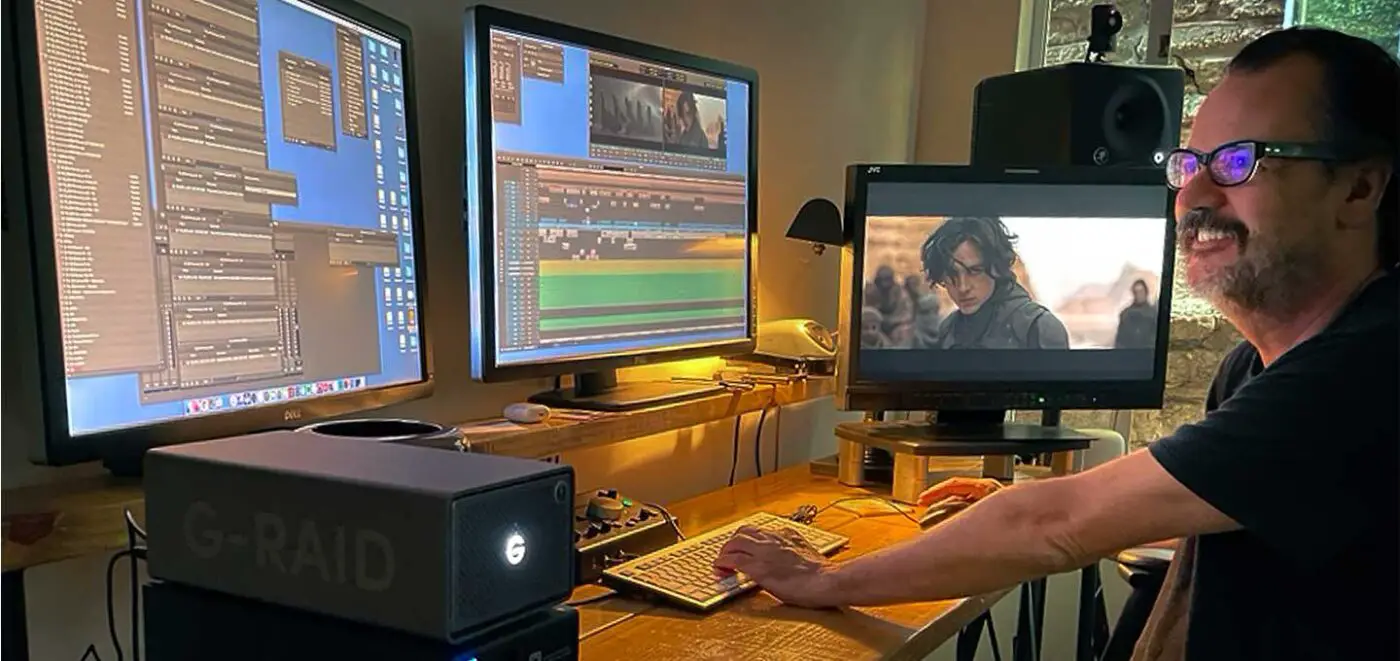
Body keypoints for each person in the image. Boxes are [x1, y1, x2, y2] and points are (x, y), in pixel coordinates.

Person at [714, 27, 1398, 660]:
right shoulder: (1256, 364)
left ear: (1359, 188)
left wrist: (823, 579)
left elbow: (1054, 525)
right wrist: (1011, 503)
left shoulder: (1365, 371)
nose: (1193, 195)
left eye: (1238, 162)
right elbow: (1251, 515)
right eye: (1188, 164)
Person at [921, 216, 1070, 349]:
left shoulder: (1037, 328)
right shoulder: (947, 330)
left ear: (996, 268)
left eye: (975, 271)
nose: (963, 287)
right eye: (952, 274)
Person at [862, 265, 915, 345]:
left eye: (887, 279)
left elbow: (907, 314)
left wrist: (891, 321)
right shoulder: (870, 291)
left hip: (895, 326)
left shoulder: (900, 293)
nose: (884, 284)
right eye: (881, 280)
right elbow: (865, 312)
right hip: (875, 325)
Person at [1114, 279, 1158, 349]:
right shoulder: (1126, 314)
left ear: (1146, 292)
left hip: (1148, 352)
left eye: (1141, 291)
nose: (1139, 294)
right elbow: (1120, 340)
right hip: (1129, 351)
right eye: (1136, 292)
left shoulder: (1154, 314)